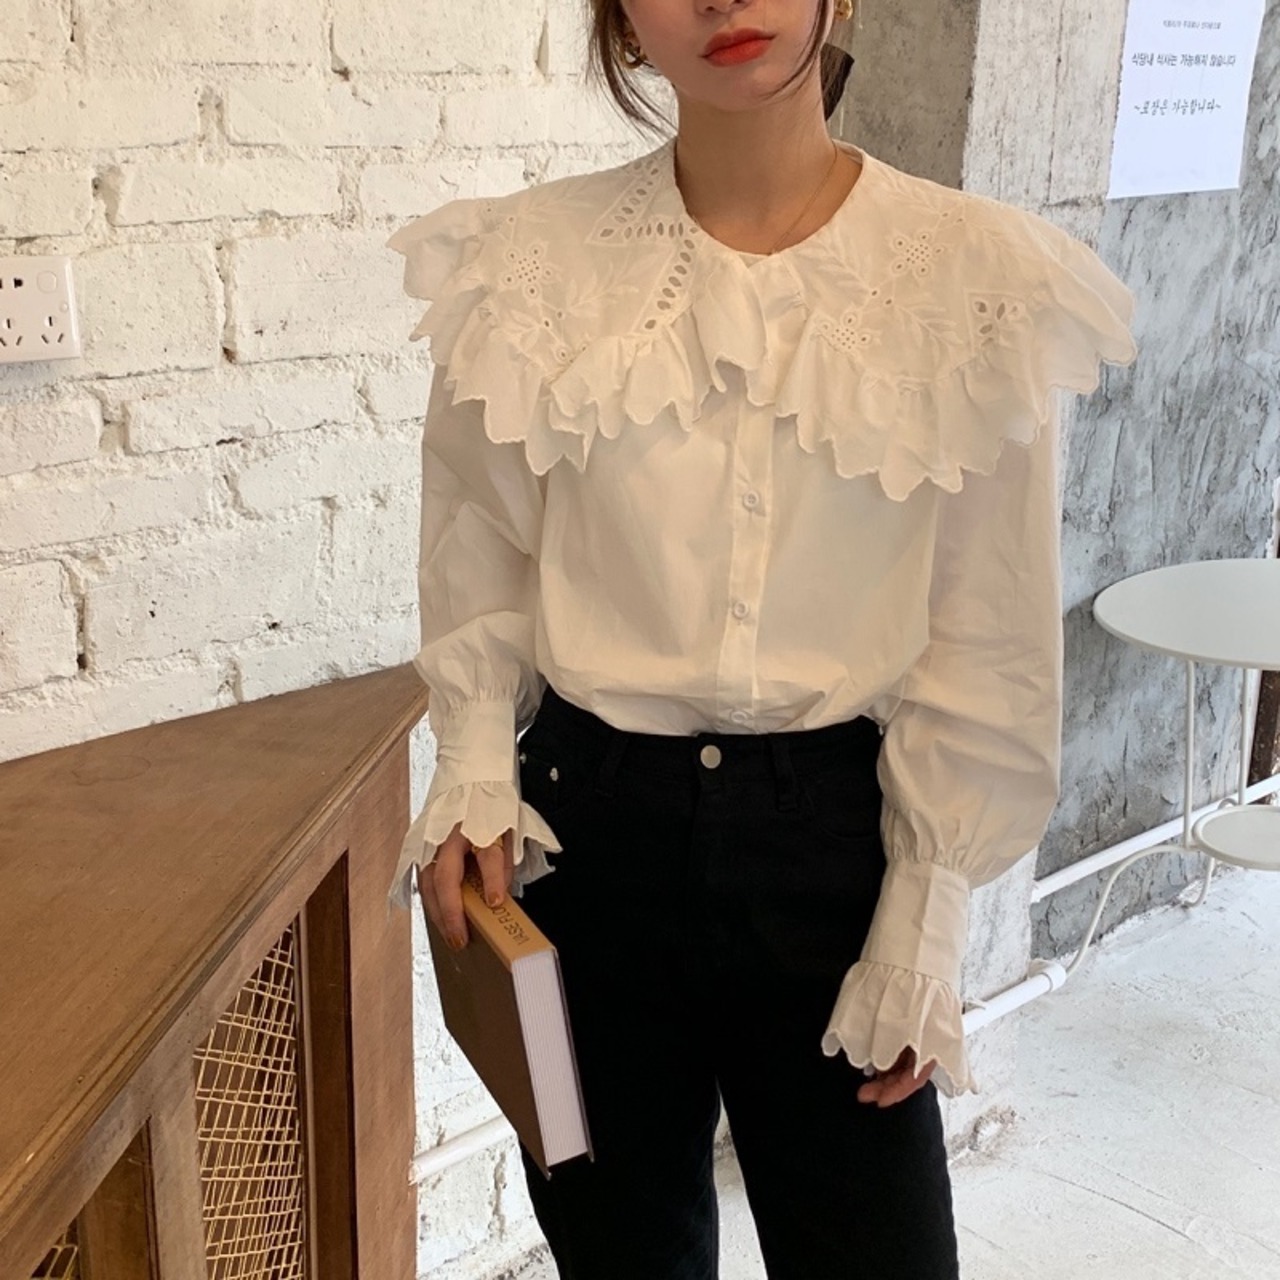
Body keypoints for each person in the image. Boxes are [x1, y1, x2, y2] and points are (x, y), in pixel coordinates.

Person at [384, 1, 1139, 1276]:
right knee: (618, 1254)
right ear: (623, 21)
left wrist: (928, 909)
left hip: (833, 852)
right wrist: (471, 768)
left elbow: (986, 619)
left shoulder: (974, 282)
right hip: (589, 837)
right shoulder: (529, 267)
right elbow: (478, 544)